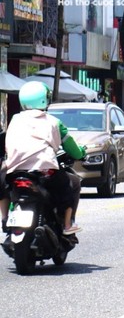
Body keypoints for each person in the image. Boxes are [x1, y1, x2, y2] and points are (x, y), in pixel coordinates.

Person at [3, 81, 86, 235]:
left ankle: (5, 218)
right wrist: (81, 153)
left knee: (4, 187)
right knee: (72, 183)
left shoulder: (14, 120)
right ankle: (67, 225)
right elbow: (72, 148)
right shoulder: (54, 122)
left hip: (14, 171)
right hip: (44, 171)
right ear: (44, 100)